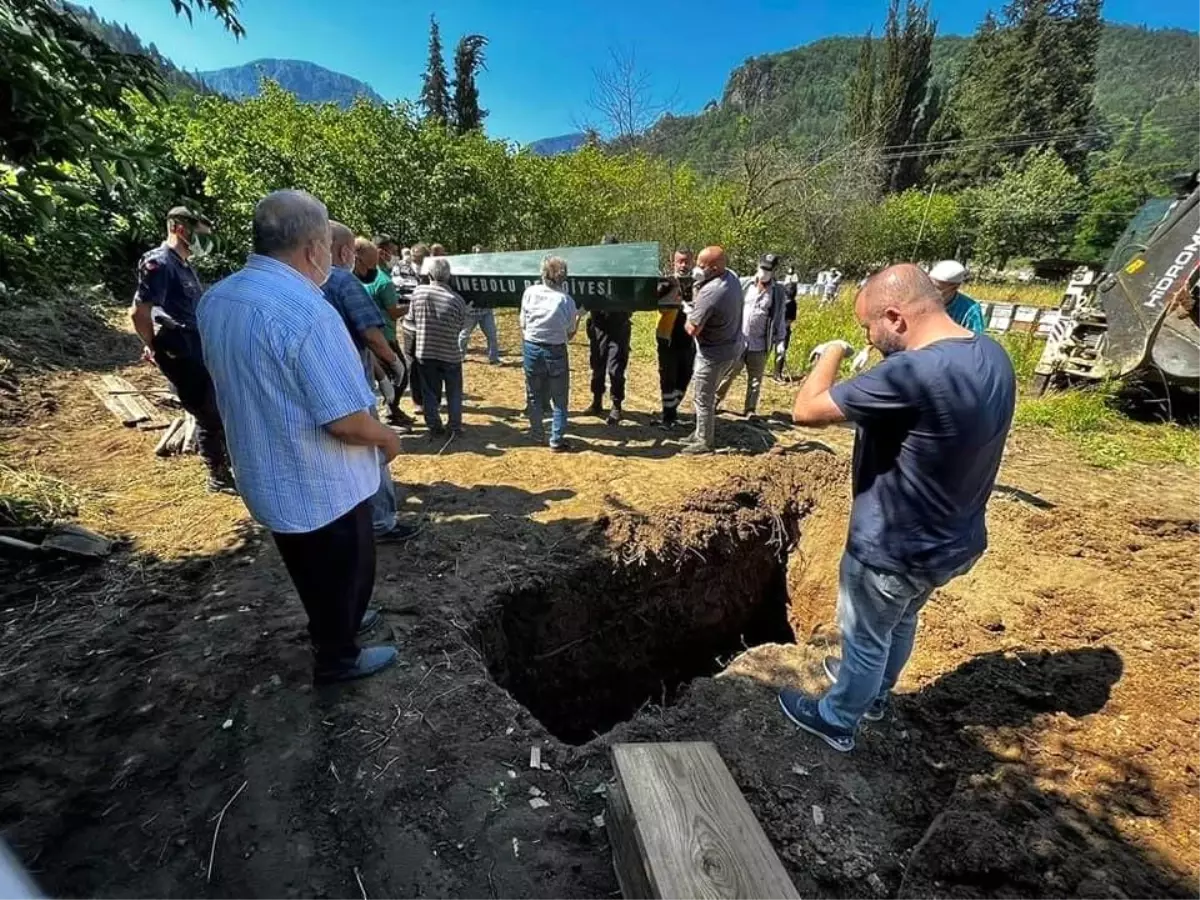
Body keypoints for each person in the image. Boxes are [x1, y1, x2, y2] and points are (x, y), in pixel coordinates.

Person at [777, 264, 1016, 752]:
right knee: (900, 620)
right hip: (952, 539)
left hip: (892, 545)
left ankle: (838, 718)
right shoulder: (991, 354)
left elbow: (807, 410)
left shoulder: (911, 370)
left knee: (865, 636)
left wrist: (834, 353)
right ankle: (876, 695)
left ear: (895, 316)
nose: (870, 336)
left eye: (869, 327)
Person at [198, 190, 401, 683]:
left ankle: (338, 622)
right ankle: (339, 657)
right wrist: (387, 440)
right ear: (313, 248)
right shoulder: (308, 313)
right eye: (328, 247)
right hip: (320, 484)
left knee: (312, 572)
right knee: (347, 567)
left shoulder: (217, 298)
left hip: (266, 470)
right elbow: (345, 420)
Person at [130, 206, 234, 494]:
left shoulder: (183, 265)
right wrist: (154, 346)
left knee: (216, 406)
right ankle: (217, 475)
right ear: (179, 228)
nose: (204, 241)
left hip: (197, 348)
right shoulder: (160, 263)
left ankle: (224, 465)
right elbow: (140, 312)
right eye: (199, 234)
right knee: (207, 412)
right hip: (180, 351)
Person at [323, 223, 414, 542]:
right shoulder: (343, 281)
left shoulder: (301, 282)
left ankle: (349, 517)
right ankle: (381, 522)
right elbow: (370, 335)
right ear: (347, 252)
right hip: (350, 388)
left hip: (320, 387)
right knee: (373, 451)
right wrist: (393, 363)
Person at [682, 246, 744, 454]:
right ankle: (699, 432)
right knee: (703, 394)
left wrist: (688, 310)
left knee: (702, 397)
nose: (697, 270)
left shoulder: (711, 291)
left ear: (715, 267)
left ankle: (705, 441)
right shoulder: (732, 277)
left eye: (701, 266)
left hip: (713, 354)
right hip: (731, 347)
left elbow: (692, 329)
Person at [716, 253, 788, 419]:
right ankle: (715, 400)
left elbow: (779, 318)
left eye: (768, 269)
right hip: (739, 340)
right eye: (762, 268)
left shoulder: (777, 292)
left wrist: (781, 342)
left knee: (755, 380)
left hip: (760, 344)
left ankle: (750, 409)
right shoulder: (745, 284)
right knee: (729, 373)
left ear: (774, 271)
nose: (764, 272)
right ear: (758, 266)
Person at [520, 255, 580, 451]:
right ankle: (556, 439)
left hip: (531, 347)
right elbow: (570, 333)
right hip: (555, 350)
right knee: (560, 399)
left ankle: (537, 434)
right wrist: (579, 318)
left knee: (534, 395)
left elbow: (523, 323)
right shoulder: (566, 300)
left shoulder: (529, 293)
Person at [405, 256, 467, 436]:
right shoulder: (457, 301)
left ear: (430, 275)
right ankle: (455, 426)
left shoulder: (418, 293)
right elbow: (460, 327)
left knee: (430, 392)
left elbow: (411, 320)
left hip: (425, 351)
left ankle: (434, 426)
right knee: (454, 393)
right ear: (449, 276)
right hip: (451, 354)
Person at [355, 238, 412, 429]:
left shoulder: (364, 278)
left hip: (371, 335)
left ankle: (391, 409)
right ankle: (392, 410)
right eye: (392, 251)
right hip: (385, 336)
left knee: (386, 376)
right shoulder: (384, 281)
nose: (394, 256)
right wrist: (412, 305)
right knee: (401, 374)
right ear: (382, 252)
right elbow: (392, 311)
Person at [583, 235, 632, 425]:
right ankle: (596, 402)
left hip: (619, 326)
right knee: (597, 366)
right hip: (598, 326)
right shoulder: (593, 271)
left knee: (616, 369)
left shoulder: (626, 272)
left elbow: (635, 298)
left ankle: (616, 405)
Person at [654, 247, 698, 429]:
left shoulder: (698, 283)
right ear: (673, 262)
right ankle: (668, 416)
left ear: (692, 262)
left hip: (689, 340)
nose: (683, 265)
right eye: (680, 261)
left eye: (686, 261)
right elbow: (659, 306)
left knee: (685, 376)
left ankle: (673, 409)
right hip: (668, 338)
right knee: (668, 378)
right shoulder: (666, 282)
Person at [458, 244, 501, 365]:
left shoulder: (489, 269)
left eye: (481, 253)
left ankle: (494, 358)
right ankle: (460, 356)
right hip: (471, 310)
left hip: (486, 309)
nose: (479, 255)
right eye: (477, 253)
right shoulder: (467, 268)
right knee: (464, 335)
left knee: (492, 335)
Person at [929, 260, 986, 334]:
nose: (930, 290)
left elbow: (976, 341)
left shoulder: (970, 310)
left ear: (955, 287)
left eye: (937, 287)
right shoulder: (918, 300)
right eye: (928, 284)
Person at [775, 266, 800, 380]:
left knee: (781, 352)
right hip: (778, 329)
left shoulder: (791, 303)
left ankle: (777, 374)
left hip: (783, 329)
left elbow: (790, 320)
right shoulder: (783, 301)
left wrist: (782, 327)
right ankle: (776, 374)